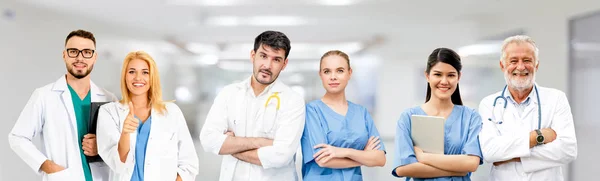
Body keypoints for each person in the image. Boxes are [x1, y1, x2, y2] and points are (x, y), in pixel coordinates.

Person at [8, 29, 117, 180]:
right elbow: (17, 137)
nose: (80, 58)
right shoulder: (44, 96)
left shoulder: (109, 98)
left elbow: (120, 145)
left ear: (94, 57)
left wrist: (101, 148)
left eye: (87, 52)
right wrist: (49, 167)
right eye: (73, 51)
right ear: (64, 55)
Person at [199, 30, 305, 181]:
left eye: (276, 60)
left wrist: (231, 148)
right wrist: (260, 142)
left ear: (284, 64)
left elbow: (281, 155)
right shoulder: (229, 94)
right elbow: (208, 140)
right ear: (253, 55)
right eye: (263, 56)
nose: (267, 65)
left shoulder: (293, 101)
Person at [478, 35, 577, 181]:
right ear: (502, 65)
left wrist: (510, 156)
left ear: (536, 65)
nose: (520, 67)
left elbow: (568, 150)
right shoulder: (488, 104)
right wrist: (537, 137)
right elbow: (490, 152)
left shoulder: (556, 98)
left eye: (527, 60)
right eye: (513, 61)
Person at [96, 51, 199, 181]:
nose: (138, 78)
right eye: (132, 72)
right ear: (124, 76)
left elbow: (189, 163)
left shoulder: (172, 112)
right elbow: (117, 164)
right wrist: (125, 133)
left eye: (145, 72)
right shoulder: (109, 112)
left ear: (152, 77)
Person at [392, 48, 483, 180]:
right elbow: (403, 168)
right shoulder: (408, 118)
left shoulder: (471, 117)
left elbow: (471, 163)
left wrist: (423, 157)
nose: (444, 81)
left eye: (451, 75)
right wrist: (458, 170)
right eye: (438, 74)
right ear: (427, 76)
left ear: (459, 77)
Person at [300, 50, 386, 180]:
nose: (333, 77)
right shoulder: (312, 111)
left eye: (340, 71)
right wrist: (364, 157)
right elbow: (323, 160)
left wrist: (344, 152)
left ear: (349, 73)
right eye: (327, 71)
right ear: (320, 75)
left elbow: (380, 159)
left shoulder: (361, 113)